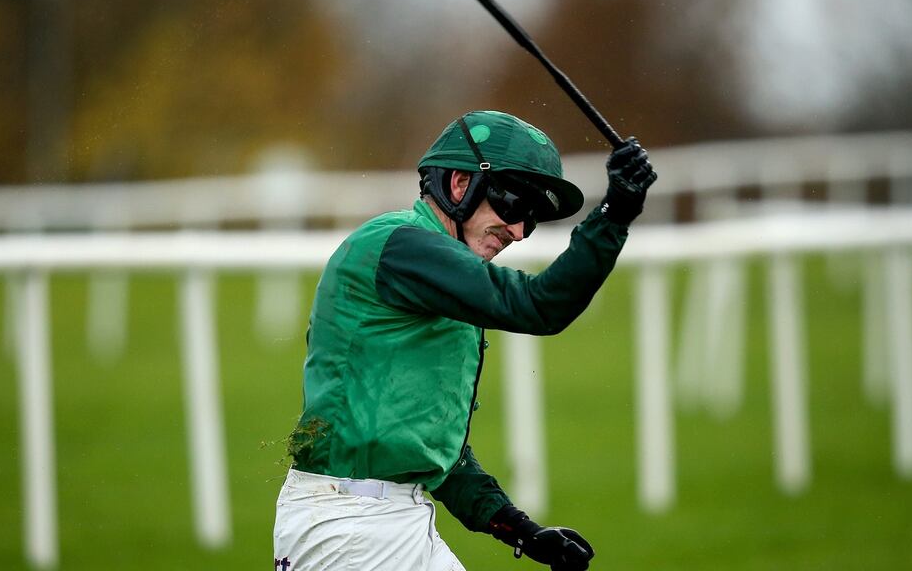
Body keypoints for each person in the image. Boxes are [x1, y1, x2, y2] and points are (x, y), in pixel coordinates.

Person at [273, 110, 656, 570]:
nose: (518, 231)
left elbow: (439, 456)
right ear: (460, 184)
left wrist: (522, 530)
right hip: (352, 529)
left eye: (531, 219)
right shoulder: (401, 246)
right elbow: (539, 306)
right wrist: (613, 214)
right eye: (514, 205)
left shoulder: (437, 281)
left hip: (387, 520)